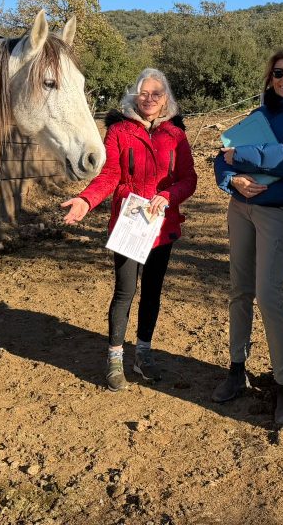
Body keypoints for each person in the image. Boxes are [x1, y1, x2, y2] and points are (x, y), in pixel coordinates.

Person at [61, 68, 197, 392]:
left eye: (156, 94)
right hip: (130, 223)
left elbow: (189, 178)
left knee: (152, 292)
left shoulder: (176, 135)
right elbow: (109, 175)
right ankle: (114, 357)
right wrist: (86, 199)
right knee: (124, 292)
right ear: (135, 96)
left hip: (161, 225)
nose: (149, 99)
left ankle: (143, 353)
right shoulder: (119, 131)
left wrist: (168, 196)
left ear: (165, 99)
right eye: (143, 93)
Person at [212, 50, 283, 425]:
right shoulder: (259, 114)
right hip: (240, 208)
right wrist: (233, 180)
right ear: (270, 77)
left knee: (269, 296)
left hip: (278, 213)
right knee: (239, 290)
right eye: (278, 73)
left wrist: (238, 157)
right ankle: (236, 368)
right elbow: (221, 157)